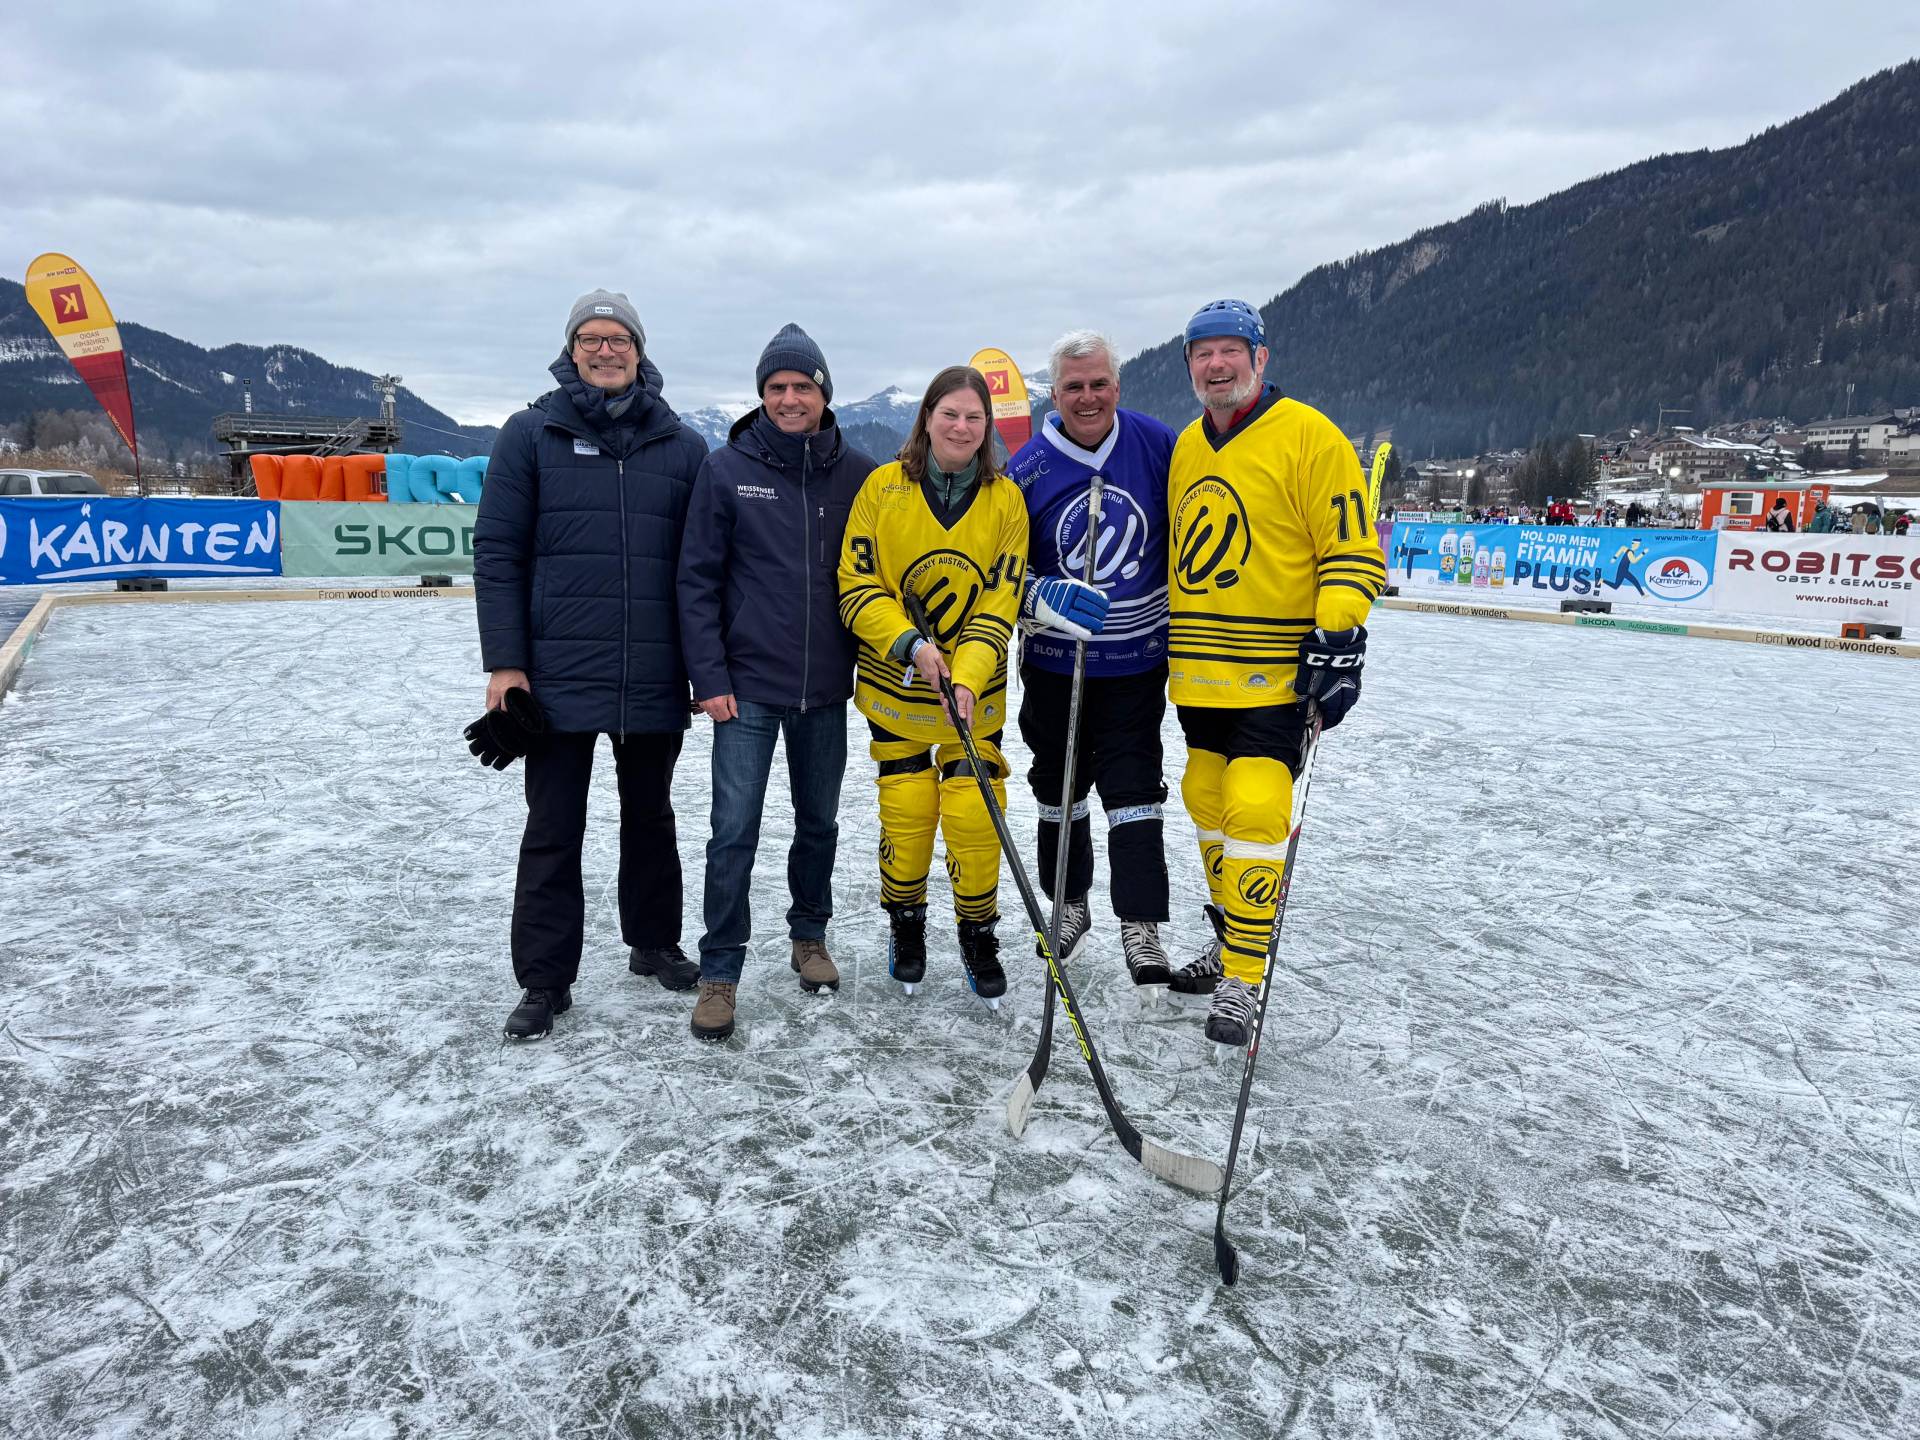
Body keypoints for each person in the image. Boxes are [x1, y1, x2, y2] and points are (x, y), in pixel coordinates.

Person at [474, 290, 708, 1041]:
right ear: (571, 349)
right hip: (557, 676)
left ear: (641, 350)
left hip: (653, 671)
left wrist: (706, 666)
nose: (605, 351)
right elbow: (498, 553)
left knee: (652, 818)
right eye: (590, 339)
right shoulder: (530, 433)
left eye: (618, 339)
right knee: (553, 826)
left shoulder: (681, 445)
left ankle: (653, 941)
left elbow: (703, 569)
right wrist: (506, 665)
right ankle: (545, 980)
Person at [1166, 299, 1387, 1048]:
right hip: (1197, 674)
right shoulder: (1190, 448)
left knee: (1256, 802)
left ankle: (1244, 977)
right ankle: (1230, 941)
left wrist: (1337, 632)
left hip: (1274, 672)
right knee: (1205, 796)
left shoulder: (1310, 437)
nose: (1217, 365)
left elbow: (1353, 552)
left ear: (1262, 359)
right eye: (1203, 354)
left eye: (1232, 351)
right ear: (1189, 365)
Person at [676, 325, 877, 1043]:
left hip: (826, 688)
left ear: (824, 393)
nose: (790, 398)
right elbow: (695, 579)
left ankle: (809, 936)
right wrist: (709, 675)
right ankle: (720, 972)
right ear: (762, 395)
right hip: (746, 690)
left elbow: (876, 579)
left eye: (802, 386)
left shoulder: (859, 474)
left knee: (818, 824)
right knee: (732, 834)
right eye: (776, 388)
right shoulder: (727, 469)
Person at [836, 366, 1029, 1002]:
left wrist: (968, 673)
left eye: (974, 417)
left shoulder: (1005, 501)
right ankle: (907, 921)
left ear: (987, 427)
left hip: (976, 691)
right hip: (896, 684)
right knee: (909, 804)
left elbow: (1001, 600)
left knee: (975, 809)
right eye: (949, 413)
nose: (961, 426)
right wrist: (912, 644)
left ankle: (977, 930)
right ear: (926, 418)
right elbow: (857, 586)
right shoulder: (883, 489)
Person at [1006, 330, 1176, 985]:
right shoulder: (1026, 470)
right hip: (1055, 666)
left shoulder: (1157, 445)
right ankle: (1069, 904)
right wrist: (1037, 596)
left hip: (1135, 662)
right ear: (1055, 393)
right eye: (1073, 386)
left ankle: (1142, 925)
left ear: (1117, 387)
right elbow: (998, 577)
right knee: (1059, 787)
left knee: (1135, 792)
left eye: (1098, 384)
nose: (1087, 397)